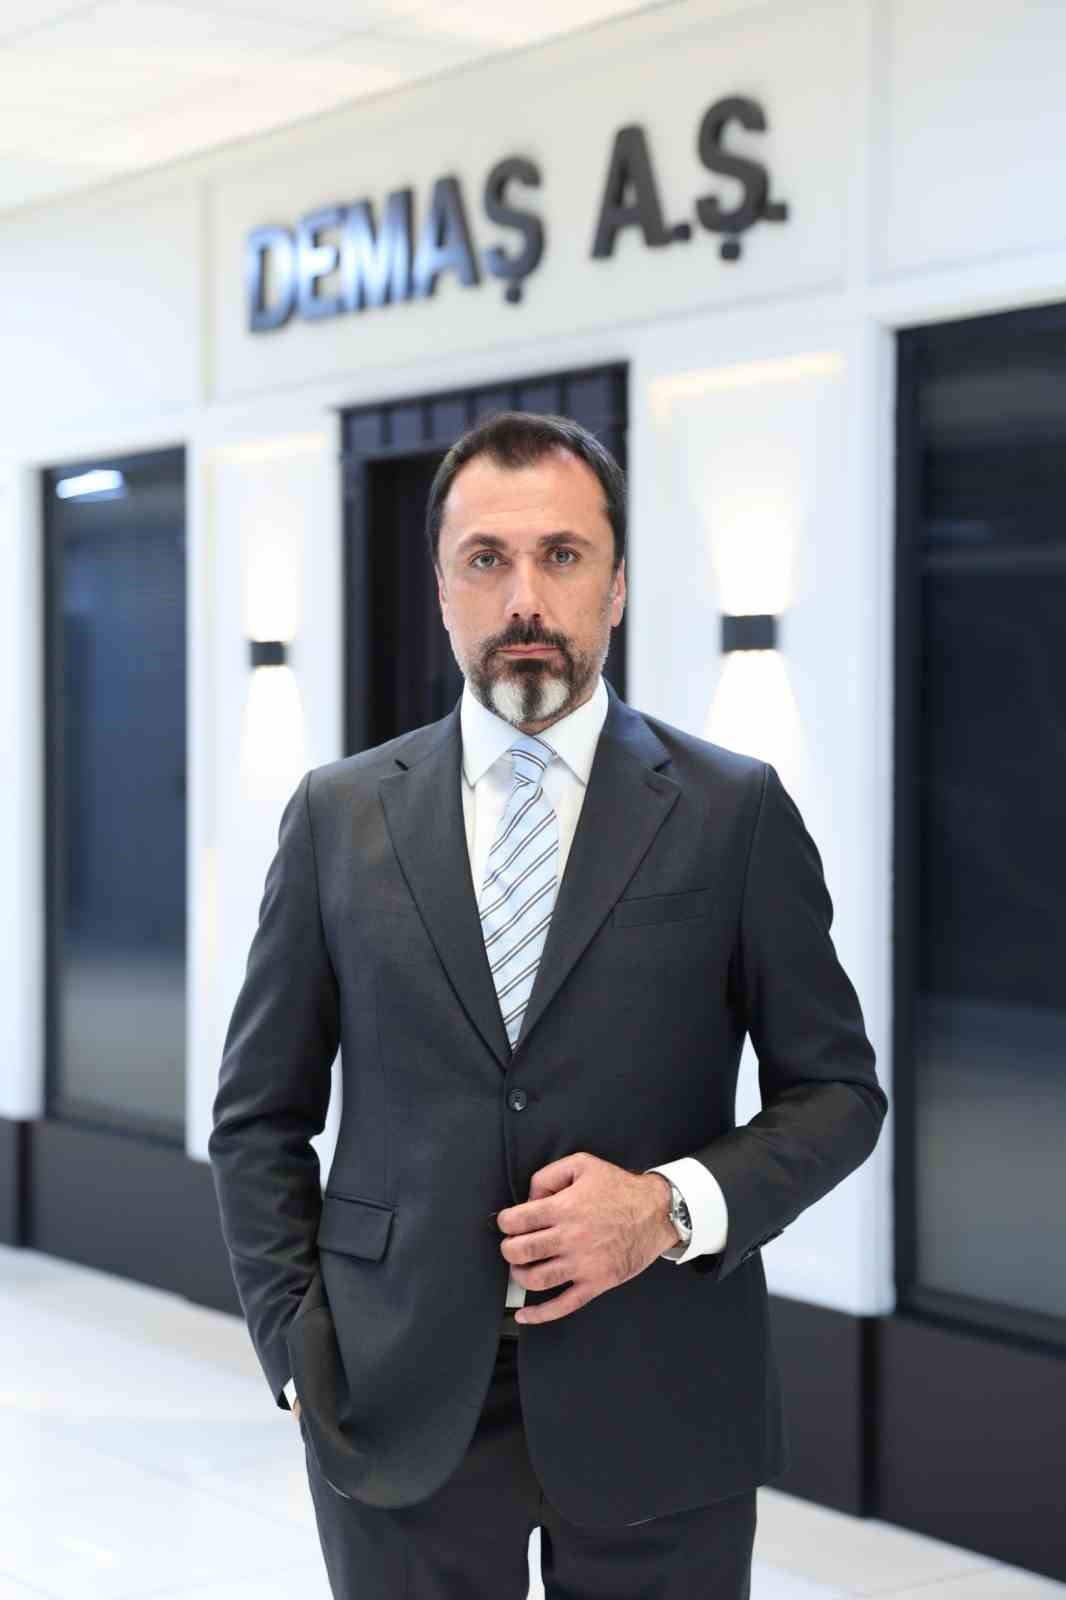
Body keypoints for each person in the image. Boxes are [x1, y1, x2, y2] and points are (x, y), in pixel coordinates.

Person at [208, 409, 888, 1598]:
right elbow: (257, 1115)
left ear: (615, 584)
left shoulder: (733, 812)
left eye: (561, 555)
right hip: (393, 1392)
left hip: (665, 1392)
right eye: (487, 558)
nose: (525, 597)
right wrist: (295, 1348)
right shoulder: (336, 816)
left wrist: (669, 1208)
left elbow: (837, 1092)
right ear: (442, 587)